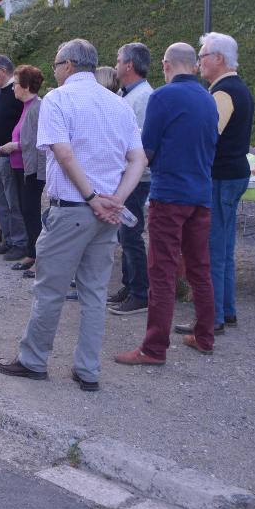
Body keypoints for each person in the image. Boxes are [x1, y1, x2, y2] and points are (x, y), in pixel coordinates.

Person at [0, 38, 145, 392]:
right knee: (94, 292)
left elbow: (63, 154)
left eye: (56, 65)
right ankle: (88, 369)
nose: (54, 71)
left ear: (67, 65)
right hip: (107, 214)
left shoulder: (58, 100)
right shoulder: (118, 103)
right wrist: (116, 200)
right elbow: (138, 159)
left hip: (74, 210)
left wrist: (93, 197)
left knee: (50, 289)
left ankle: (33, 360)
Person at [115, 43, 219, 366]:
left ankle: (154, 348)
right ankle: (205, 336)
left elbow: (146, 150)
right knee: (200, 268)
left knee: (162, 270)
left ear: (165, 65)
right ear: (194, 65)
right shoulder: (209, 99)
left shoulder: (162, 97)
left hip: (169, 193)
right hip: (200, 194)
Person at [176, 32, 255, 335]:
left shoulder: (222, 93)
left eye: (203, 56)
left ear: (219, 59)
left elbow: (208, 135)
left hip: (221, 176)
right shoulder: (237, 88)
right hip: (232, 173)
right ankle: (226, 310)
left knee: (212, 249)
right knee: (224, 247)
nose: (200, 62)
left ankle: (212, 317)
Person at [108, 42, 155, 316]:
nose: (115, 65)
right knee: (125, 232)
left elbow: (142, 142)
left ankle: (140, 292)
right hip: (126, 174)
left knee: (131, 233)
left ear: (129, 65)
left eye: (117, 59)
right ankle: (130, 285)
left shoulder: (145, 97)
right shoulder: (129, 95)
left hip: (137, 176)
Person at [0, 65, 43, 276]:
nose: (13, 88)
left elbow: (38, 140)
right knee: (25, 211)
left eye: (15, 84)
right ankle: (32, 253)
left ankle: (40, 258)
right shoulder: (26, 106)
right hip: (19, 166)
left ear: (25, 86)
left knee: (32, 213)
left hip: (31, 169)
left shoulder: (38, 107)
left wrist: (13, 146)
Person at [0, 54, 27, 262]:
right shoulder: (0, 92)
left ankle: (20, 242)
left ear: (1, 71)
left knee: (13, 201)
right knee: (0, 200)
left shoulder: (16, 93)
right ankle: (9, 240)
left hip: (8, 156)